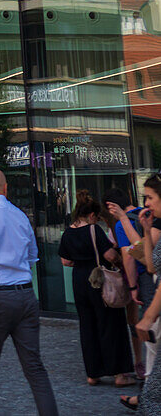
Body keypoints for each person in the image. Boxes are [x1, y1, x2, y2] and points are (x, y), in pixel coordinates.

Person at [0, 167, 58, 416]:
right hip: (25, 295)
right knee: (35, 367)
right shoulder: (21, 216)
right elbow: (32, 257)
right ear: (5, 189)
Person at [58, 189, 134, 388]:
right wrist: (120, 261)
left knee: (87, 326)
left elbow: (65, 261)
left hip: (79, 281)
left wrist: (80, 262)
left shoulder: (68, 232)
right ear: (92, 215)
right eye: (97, 216)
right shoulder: (94, 230)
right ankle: (119, 374)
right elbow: (110, 256)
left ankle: (93, 374)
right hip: (99, 280)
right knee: (110, 324)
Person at [118, 173, 161, 413]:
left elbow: (144, 258)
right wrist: (145, 230)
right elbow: (153, 264)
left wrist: (147, 316)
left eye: (150, 197)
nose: (146, 204)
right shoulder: (155, 225)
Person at [104, 187, 151, 381]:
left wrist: (132, 287)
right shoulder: (145, 213)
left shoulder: (122, 224)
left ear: (111, 206)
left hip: (143, 277)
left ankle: (142, 365)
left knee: (139, 322)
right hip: (153, 272)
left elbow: (129, 256)